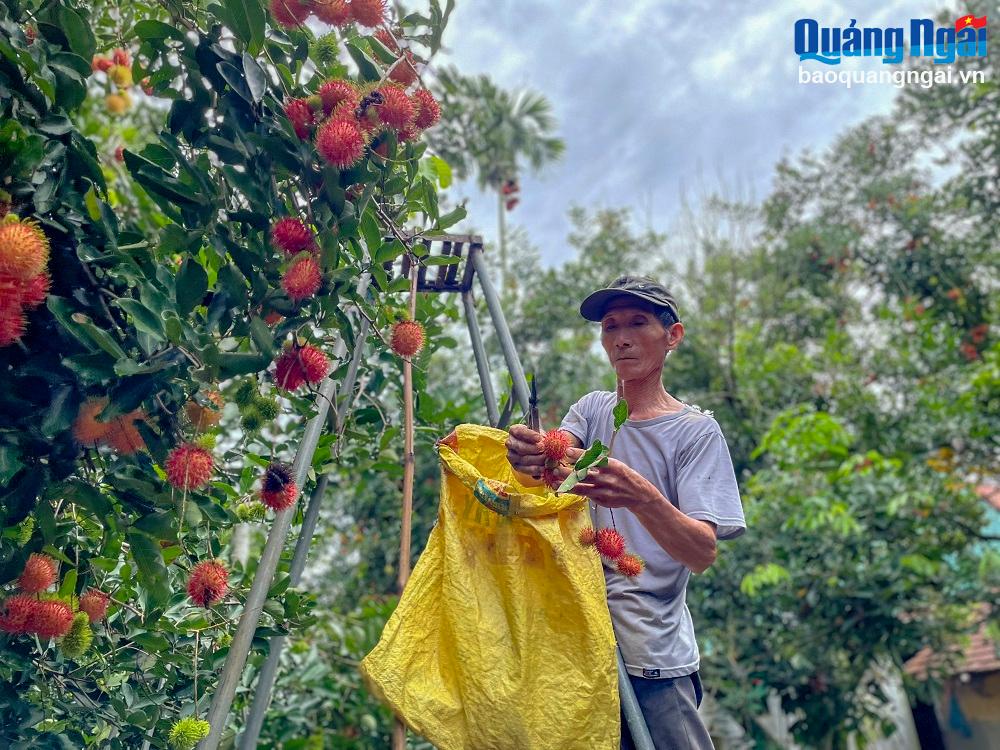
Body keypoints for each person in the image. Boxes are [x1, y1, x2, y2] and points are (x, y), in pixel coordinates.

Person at [505, 275, 746, 749]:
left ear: (672, 336)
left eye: (638, 323)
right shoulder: (595, 410)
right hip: (578, 645)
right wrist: (530, 456)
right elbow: (552, 463)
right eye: (610, 326)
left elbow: (701, 551)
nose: (621, 337)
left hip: (650, 655)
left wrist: (642, 495)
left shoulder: (695, 433)